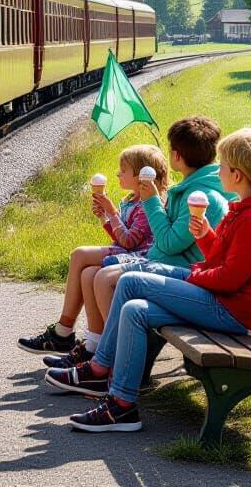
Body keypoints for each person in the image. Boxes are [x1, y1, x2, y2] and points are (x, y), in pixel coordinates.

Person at [57, 127, 251, 433]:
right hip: (223, 298)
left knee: (131, 282)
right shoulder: (247, 209)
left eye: (222, 166)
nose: (218, 170)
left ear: (237, 176)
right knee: (134, 310)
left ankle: (98, 367)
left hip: (231, 310)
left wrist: (194, 274)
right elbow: (224, 262)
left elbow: (229, 279)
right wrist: (207, 236)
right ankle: (122, 405)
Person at [35, 116, 231, 367]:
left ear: (177, 156)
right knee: (90, 273)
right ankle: (95, 346)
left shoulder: (200, 195)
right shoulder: (189, 189)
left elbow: (167, 243)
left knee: (102, 277)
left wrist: (150, 201)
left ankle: (113, 359)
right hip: (172, 267)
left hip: (185, 276)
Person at [17, 144, 168, 356]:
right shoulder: (131, 200)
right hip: (127, 252)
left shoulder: (148, 203)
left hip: (138, 257)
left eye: (123, 170)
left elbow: (129, 241)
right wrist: (104, 217)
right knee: (88, 273)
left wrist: (111, 213)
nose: (118, 173)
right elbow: (120, 236)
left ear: (141, 175)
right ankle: (94, 343)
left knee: (79, 254)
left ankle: (63, 331)